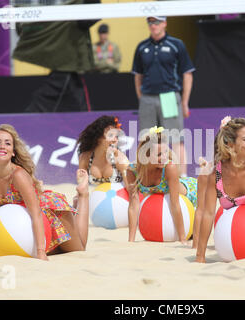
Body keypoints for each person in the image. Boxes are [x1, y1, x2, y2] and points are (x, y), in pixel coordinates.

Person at [0, 124, 90, 260]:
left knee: (78, 248)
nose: (2, 146)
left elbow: (36, 213)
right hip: (25, 227)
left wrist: (40, 251)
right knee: (55, 252)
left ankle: (83, 195)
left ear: (13, 151)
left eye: (7, 143)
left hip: (50, 213)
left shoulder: (18, 175)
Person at [195, 116, 245, 263]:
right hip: (231, 242)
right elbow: (208, 214)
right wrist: (200, 256)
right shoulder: (216, 174)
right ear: (231, 145)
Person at [131, 16, 195, 176]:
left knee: (176, 138)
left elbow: (187, 74)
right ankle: (143, 177)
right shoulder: (142, 47)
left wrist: (185, 102)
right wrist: (142, 98)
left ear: (165, 23)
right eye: (151, 22)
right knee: (145, 139)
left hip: (169, 96)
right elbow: (137, 76)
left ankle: (183, 178)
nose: (154, 26)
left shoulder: (176, 44)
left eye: (157, 22)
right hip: (147, 97)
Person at [13, 0, 101, 112]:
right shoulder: (67, 10)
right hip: (64, 62)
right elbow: (86, 20)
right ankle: (27, 121)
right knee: (44, 102)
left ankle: (88, 122)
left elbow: (87, 19)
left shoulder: (70, 8)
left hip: (68, 65)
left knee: (80, 101)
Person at [126, 126, 202, 244]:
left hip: (192, 194)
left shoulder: (169, 167)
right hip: (171, 199)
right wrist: (131, 240)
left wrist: (182, 239)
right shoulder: (132, 171)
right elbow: (133, 204)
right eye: (159, 154)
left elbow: (175, 203)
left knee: (197, 232)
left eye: (166, 152)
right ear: (145, 155)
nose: (164, 157)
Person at [76, 115, 130, 193]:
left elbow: (132, 192)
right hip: (96, 201)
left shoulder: (120, 159)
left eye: (117, 136)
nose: (115, 140)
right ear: (98, 138)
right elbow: (82, 190)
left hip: (118, 202)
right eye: (110, 135)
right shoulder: (85, 158)